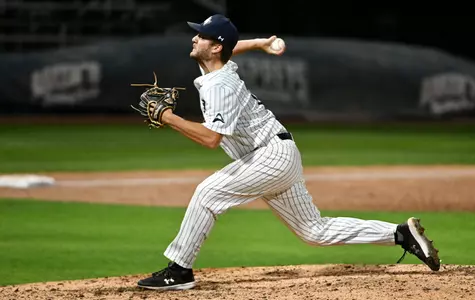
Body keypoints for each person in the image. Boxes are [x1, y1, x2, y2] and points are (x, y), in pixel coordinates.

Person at [137, 14, 440, 291]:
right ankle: (400, 234)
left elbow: (211, 139)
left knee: (207, 193)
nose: (194, 38)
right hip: (277, 154)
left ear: (215, 47)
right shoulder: (217, 63)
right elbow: (230, 48)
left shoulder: (220, 86)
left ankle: (179, 270)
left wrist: (167, 117)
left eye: (201, 35)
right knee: (314, 230)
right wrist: (259, 43)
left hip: (270, 157)